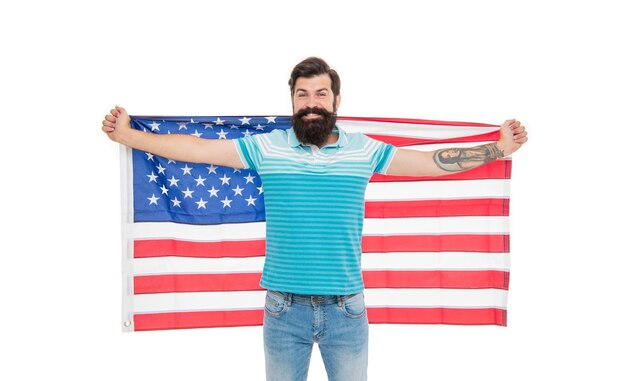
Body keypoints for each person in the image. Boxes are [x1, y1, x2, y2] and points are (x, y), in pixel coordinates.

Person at [102, 57, 527, 381]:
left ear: (336, 101)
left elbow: (432, 162)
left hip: (348, 311)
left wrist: (499, 150)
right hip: (283, 310)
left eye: (320, 94)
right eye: (302, 95)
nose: (311, 104)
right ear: (292, 101)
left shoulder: (365, 150)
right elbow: (195, 149)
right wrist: (127, 135)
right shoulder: (268, 148)